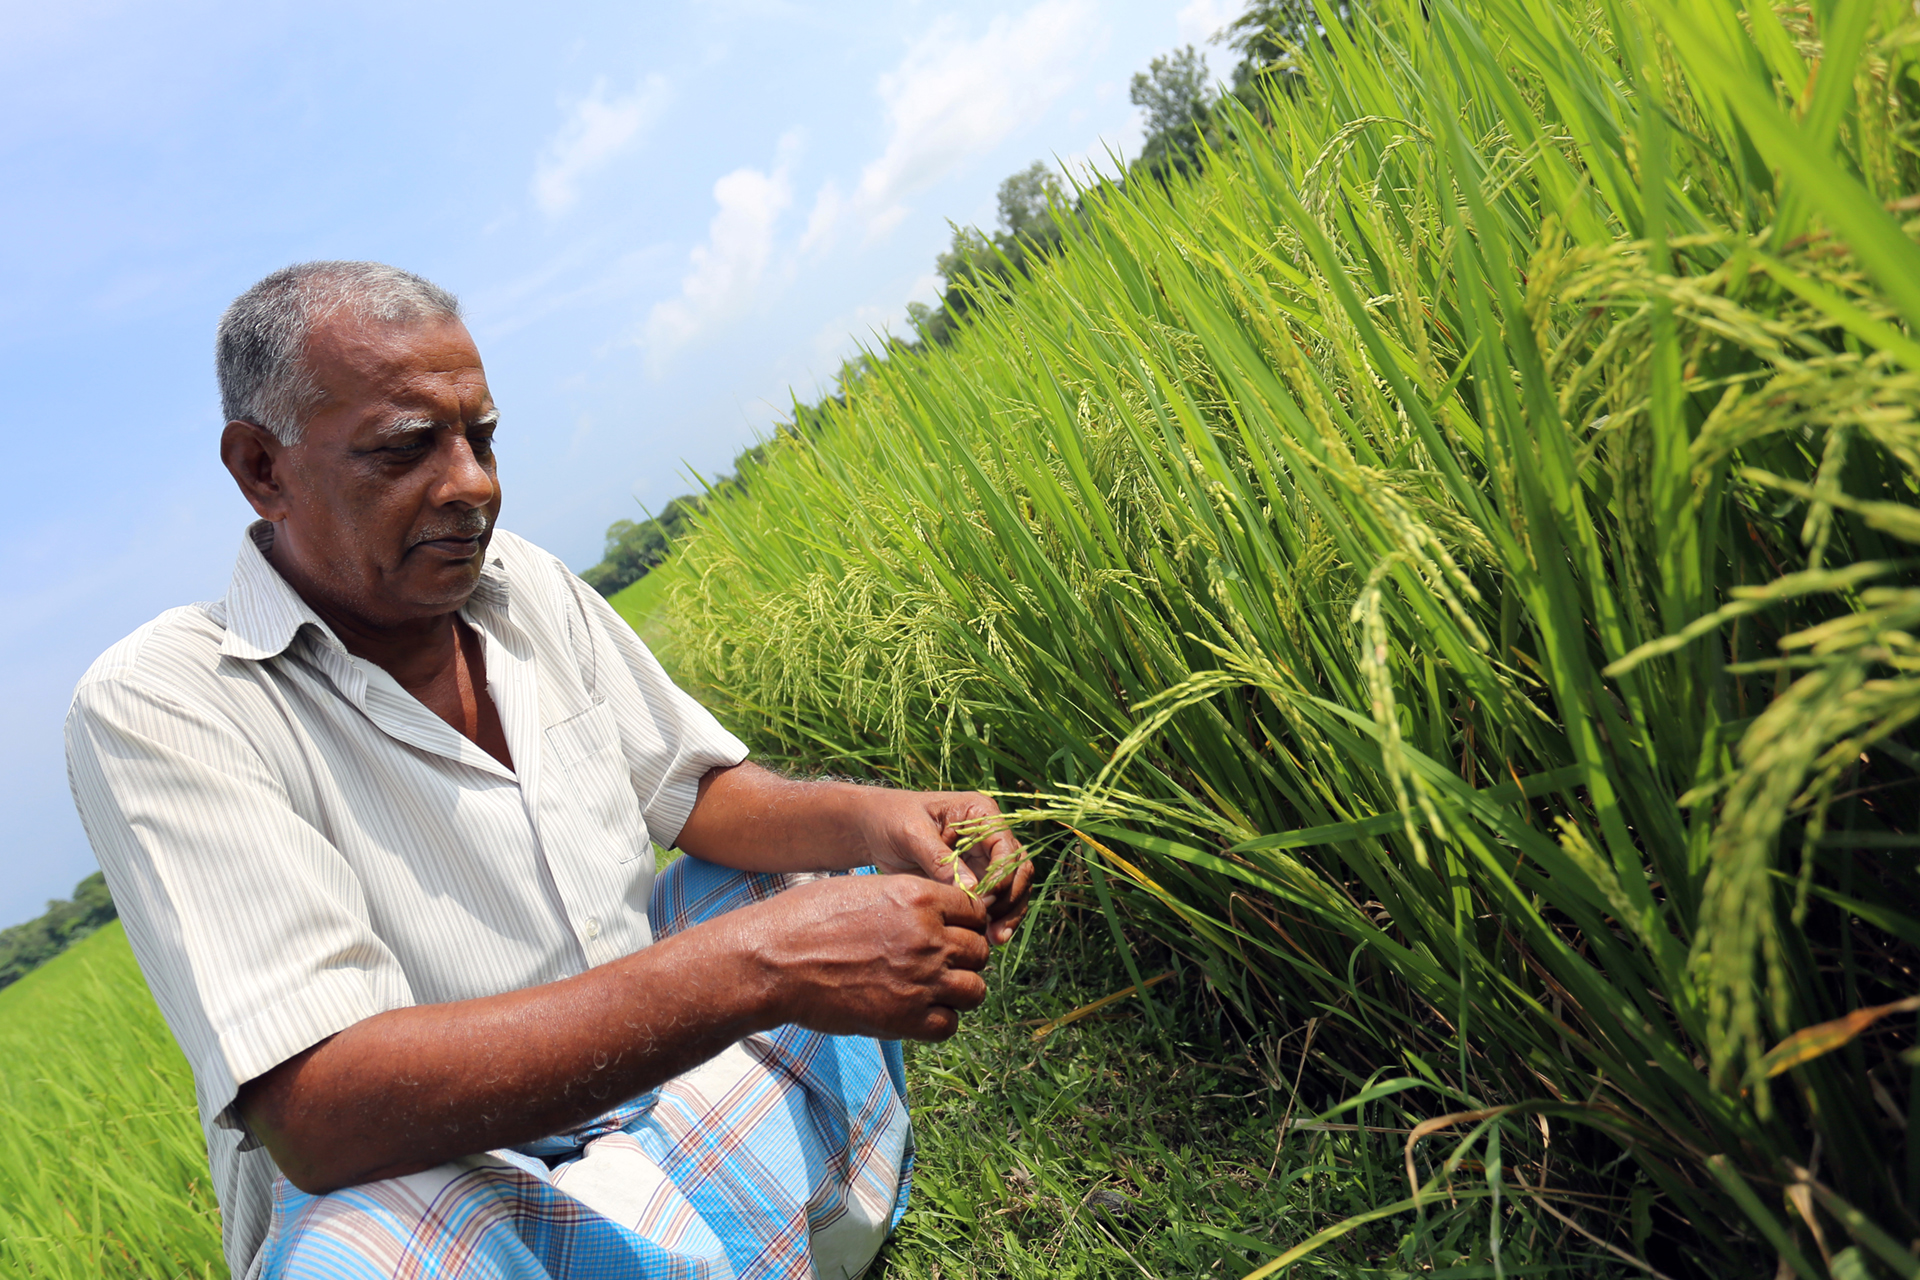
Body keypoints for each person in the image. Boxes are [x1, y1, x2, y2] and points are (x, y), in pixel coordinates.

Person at [65, 261, 1033, 1280]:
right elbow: (324, 1110)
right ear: (263, 468)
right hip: (473, 1190)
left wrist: (884, 818)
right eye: (406, 447)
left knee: (815, 870)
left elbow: (696, 792)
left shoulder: (515, 579)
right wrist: (765, 962)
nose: (472, 483)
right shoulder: (165, 700)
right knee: (355, 1256)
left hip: (662, 1085)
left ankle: (775, 1233)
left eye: (479, 436)